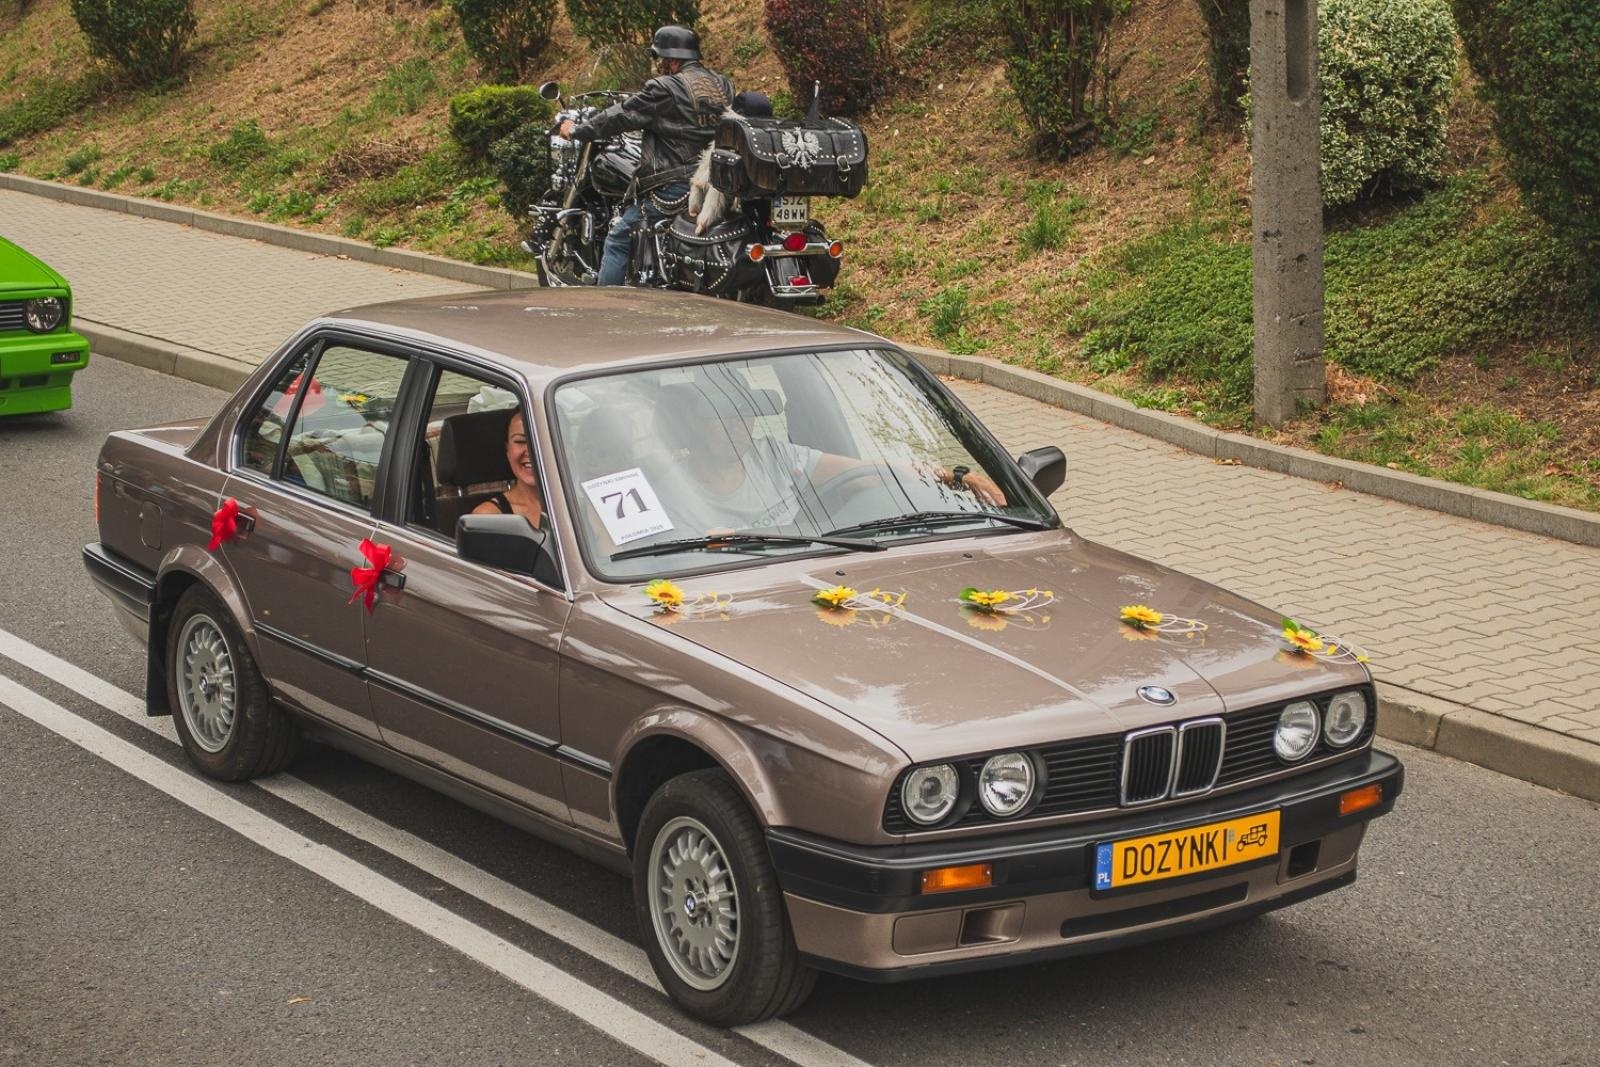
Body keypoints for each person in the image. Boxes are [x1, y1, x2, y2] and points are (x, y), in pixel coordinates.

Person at [649, 378, 1006, 538]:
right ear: (693, 424)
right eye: (721, 414)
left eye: (746, 411)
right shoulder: (669, 491)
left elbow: (869, 472)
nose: (738, 425)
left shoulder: (774, 455)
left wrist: (956, 477)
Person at [560, 25, 733, 286]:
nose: (660, 65)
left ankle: (602, 307)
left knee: (618, 237)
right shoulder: (722, 85)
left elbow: (621, 116)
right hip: (715, 181)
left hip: (676, 186)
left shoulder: (666, 87)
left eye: (661, 59)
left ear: (673, 60)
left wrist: (578, 130)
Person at [471, 411, 546, 529]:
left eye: (542, 440)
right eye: (520, 441)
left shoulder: (582, 505)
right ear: (508, 450)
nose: (531, 451)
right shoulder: (488, 517)